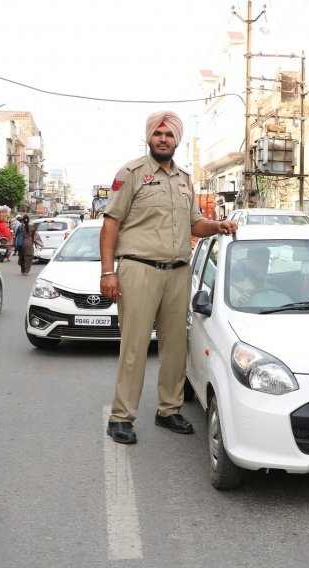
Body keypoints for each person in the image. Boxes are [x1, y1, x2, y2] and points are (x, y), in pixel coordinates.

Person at [100, 110, 238, 444]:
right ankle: (121, 417)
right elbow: (111, 223)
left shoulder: (184, 179)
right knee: (133, 347)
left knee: (176, 347)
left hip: (178, 272)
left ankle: (169, 410)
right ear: (149, 138)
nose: (164, 139)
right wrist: (108, 272)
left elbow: (195, 224)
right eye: (158, 134)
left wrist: (217, 226)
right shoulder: (131, 173)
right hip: (139, 269)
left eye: (170, 135)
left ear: (178, 140)